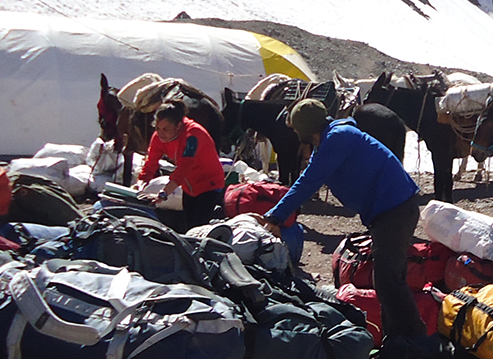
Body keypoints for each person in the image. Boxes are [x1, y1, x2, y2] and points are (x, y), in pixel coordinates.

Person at [258, 98, 425, 340]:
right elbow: (306, 178)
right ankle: (397, 340)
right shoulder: (329, 141)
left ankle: (415, 341)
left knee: (389, 281)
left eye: (295, 129)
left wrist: (275, 216)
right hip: (388, 211)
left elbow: (308, 182)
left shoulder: (339, 137)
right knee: (387, 280)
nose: (294, 134)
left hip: (395, 209)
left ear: (305, 128)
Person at [137, 100, 225, 231]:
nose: (161, 133)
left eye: (166, 129)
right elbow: (151, 162)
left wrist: (163, 195)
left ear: (178, 126)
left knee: (197, 228)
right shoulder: (159, 137)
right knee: (188, 227)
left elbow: (183, 168)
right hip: (189, 186)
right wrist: (140, 184)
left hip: (209, 184)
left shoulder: (193, 135)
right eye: (157, 128)